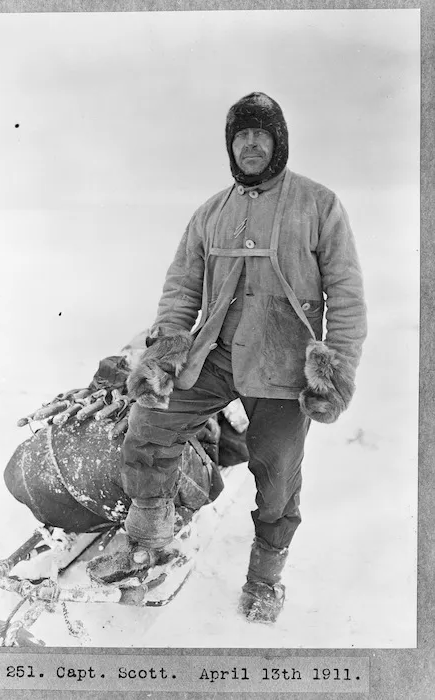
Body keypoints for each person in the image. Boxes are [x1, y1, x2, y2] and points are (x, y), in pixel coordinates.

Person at [109, 92, 367, 623]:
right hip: (217, 355)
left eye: (261, 134)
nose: (250, 144)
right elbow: (182, 288)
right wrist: (165, 352)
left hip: (283, 366)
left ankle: (264, 578)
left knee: (276, 479)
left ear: (279, 142)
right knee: (150, 420)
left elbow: (346, 293)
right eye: (241, 136)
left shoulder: (319, 204)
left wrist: (335, 370)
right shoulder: (211, 212)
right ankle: (149, 533)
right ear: (231, 146)